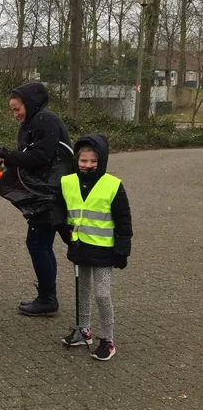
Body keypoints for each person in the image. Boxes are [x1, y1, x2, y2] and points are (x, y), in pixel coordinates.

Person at [0, 82, 72, 316]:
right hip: (46, 193)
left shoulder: (44, 120)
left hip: (49, 195)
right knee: (42, 244)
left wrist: (2, 152)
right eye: (13, 110)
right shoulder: (32, 122)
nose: (15, 114)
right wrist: (7, 158)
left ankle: (47, 299)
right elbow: (27, 157)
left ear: (29, 103)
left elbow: (41, 156)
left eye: (17, 109)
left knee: (37, 244)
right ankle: (47, 296)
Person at [56, 134, 132, 361]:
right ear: (76, 160)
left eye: (93, 161)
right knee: (83, 290)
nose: (87, 165)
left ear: (102, 161)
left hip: (104, 250)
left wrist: (122, 248)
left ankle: (108, 339)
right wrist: (61, 227)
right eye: (83, 161)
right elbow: (58, 208)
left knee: (101, 293)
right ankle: (83, 330)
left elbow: (123, 218)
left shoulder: (113, 185)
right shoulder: (67, 182)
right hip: (79, 246)